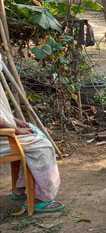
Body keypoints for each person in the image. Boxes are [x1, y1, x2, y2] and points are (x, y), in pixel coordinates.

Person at [0, 83, 64, 212]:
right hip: (4, 137)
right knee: (42, 146)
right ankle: (39, 199)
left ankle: (21, 188)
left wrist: (15, 121)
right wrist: (16, 130)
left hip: (6, 133)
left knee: (34, 131)